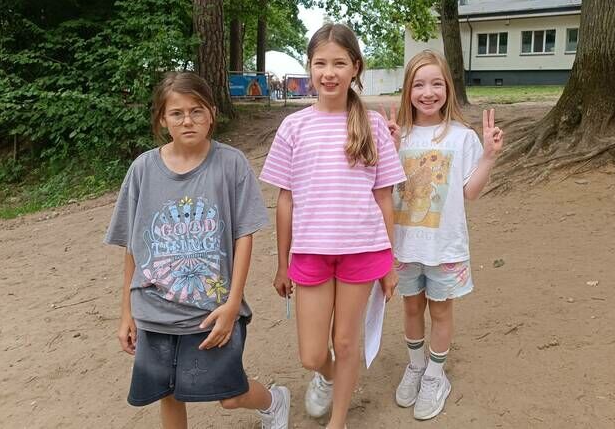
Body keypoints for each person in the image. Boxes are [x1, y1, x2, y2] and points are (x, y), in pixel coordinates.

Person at [104, 72, 289, 429]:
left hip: (212, 310)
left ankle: (273, 401)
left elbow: (244, 236)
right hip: (154, 310)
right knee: (169, 393)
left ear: (212, 113)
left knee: (230, 396)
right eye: (177, 113)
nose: (187, 120)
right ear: (162, 119)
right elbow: (133, 246)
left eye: (197, 111)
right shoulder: (142, 169)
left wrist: (233, 304)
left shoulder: (231, 164)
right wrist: (126, 312)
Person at [260, 23, 406, 429]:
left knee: (345, 341)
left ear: (355, 67)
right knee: (311, 353)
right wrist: (282, 263)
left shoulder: (372, 126)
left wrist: (389, 263)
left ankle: (338, 421)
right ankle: (326, 375)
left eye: (339, 63)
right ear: (309, 67)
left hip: (362, 249)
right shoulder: (294, 127)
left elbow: (384, 198)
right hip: (311, 252)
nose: (329, 73)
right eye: (320, 63)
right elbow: (285, 200)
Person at [385, 50, 504, 420]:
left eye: (436, 84)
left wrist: (488, 157)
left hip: (445, 247)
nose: (428, 92)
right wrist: (389, 149)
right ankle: (416, 366)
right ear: (407, 91)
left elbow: (470, 192)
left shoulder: (462, 137)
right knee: (410, 307)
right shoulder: (398, 136)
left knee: (440, 310)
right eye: (419, 85)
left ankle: (436, 376)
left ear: (448, 88)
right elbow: (382, 189)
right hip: (405, 246)